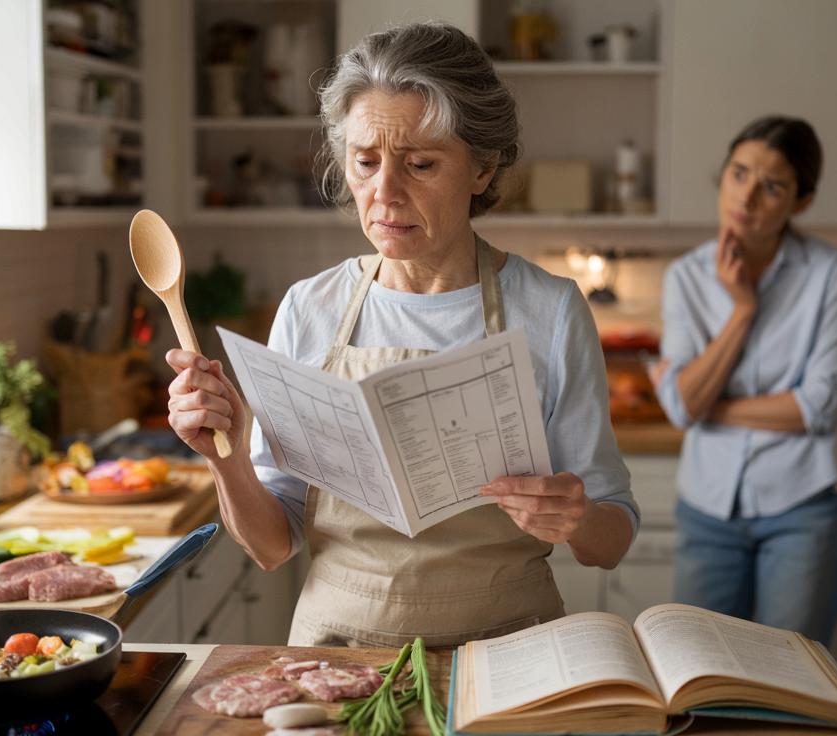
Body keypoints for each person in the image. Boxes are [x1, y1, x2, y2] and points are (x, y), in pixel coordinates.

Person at [165, 23, 638, 648]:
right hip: (338, 653)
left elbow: (611, 541)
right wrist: (223, 460)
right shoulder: (310, 308)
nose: (384, 194)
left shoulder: (550, 310)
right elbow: (273, 547)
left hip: (510, 650)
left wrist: (577, 517)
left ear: (483, 167)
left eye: (420, 164)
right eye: (365, 163)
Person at [653, 115, 837, 644]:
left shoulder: (831, 273)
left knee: (789, 676)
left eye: (773, 187)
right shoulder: (686, 277)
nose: (746, 197)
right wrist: (742, 311)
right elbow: (682, 407)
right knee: (698, 668)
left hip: (803, 508)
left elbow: (819, 408)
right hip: (707, 509)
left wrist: (711, 407)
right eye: (739, 173)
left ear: (801, 201)